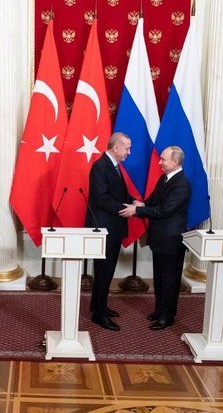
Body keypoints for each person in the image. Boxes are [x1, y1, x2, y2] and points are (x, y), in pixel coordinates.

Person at [120, 146, 191, 330]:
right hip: (160, 238)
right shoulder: (164, 178)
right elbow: (153, 202)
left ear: (175, 162)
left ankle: (167, 316)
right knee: (159, 278)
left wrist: (138, 211)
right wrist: (139, 203)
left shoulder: (182, 184)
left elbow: (164, 210)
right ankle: (159, 310)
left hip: (171, 239)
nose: (159, 162)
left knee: (170, 279)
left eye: (163, 159)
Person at [86, 133, 135, 331]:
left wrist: (133, 202)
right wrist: (126, 208)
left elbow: (118, 193)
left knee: (107, 272)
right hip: (105, 229)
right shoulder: (101, 166)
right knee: (104, 271)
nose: (129, 153)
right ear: (116, 147)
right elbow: (101, 198)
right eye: (127, 148)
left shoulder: (113, 165)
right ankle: (98, 315)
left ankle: (100, 306)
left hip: (113, 228)